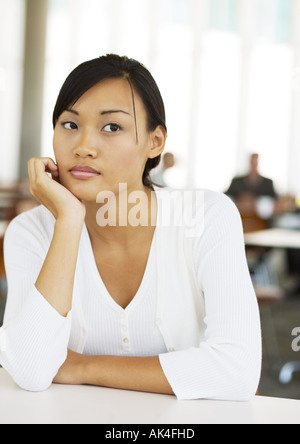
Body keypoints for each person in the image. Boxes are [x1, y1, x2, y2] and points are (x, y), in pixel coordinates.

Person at [0, 55, 261, 400]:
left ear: (155, 143)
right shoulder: (30, 233)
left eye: (112, 127)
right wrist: (68, 222)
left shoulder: (205, 217)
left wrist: (82, 367)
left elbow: (238, 371)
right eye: (69, 125)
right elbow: (32, 370)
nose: (83, 147)